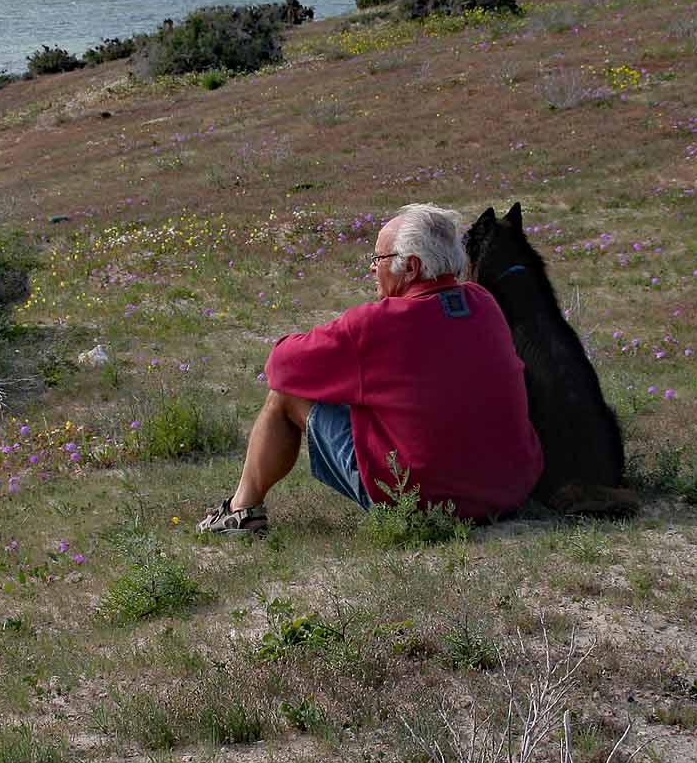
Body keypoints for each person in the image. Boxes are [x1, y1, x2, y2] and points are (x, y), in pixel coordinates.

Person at [197, 203, 543, 535]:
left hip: (423, 504)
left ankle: (241, 511)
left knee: (285, 395)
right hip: (508, 492)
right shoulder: (484, 303)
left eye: (379, 258)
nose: (372, 268)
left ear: (411, 267)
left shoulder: (379, 325)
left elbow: (280, 365)